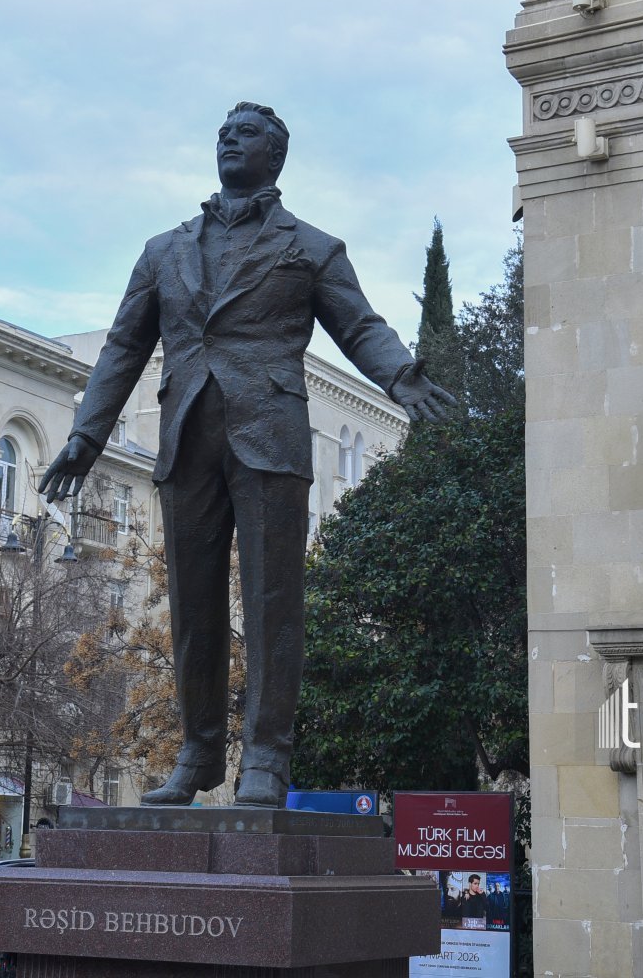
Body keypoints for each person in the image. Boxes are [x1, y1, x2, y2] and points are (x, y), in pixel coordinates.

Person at [40, 102, 455, 807]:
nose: (229, 140)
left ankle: (265, 755)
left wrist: (403, 377)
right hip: (186, 436)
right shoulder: (163, 250)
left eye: (246, 133)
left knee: (272, 605)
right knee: (192, 609)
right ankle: (199, 751)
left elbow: (359, 325)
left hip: (269, 435)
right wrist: (87, 433)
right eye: (222, 133)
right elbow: (122, 347)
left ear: (275, 155)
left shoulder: (312, 248)